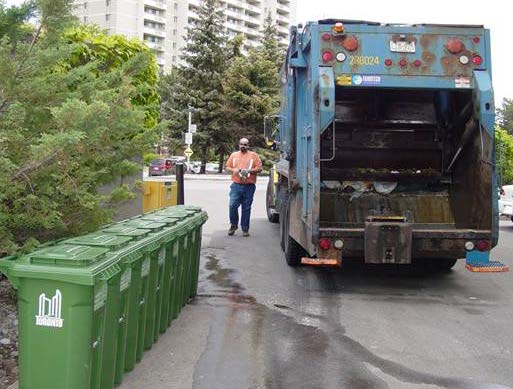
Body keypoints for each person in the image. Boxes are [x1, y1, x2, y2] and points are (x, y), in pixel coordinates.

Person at [225, 138, 263, 237]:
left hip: (249, 186)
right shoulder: (234, 155)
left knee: (246, 208)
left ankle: (245, 229)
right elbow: (227, 167)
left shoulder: (254, 156)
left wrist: (249, 171)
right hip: (236, 185)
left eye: (245, 144)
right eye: (241, 144)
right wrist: (234, 170)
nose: (243, 146)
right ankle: (233, 225)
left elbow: (259, 168)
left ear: (248, 145)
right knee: (232, 205)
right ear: (239, 145)